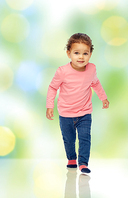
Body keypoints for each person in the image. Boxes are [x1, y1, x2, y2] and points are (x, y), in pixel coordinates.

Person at [46, 33, 109, 173]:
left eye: (85, 53)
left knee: (85, 138)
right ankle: (72, 159)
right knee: (69, 140)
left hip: (84, 113)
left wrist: (103, 98)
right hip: (65, 114)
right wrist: (49, 106)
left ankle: (83, 163)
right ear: (69, 54)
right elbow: (52, 87)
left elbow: (96, 83)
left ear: (90, 54)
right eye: (76, 53)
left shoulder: (91, 69)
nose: (81, 57)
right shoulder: (62, 71)